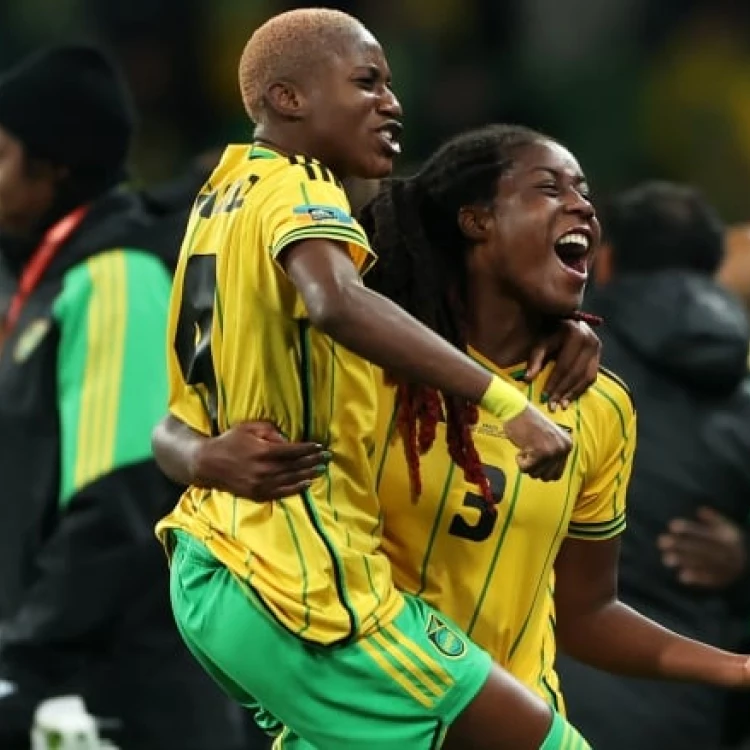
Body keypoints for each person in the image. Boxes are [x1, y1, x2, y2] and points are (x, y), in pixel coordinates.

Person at [156, 128, 750, 747]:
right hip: (376, 712)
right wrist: (204, 456)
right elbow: (179, 427)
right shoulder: (367, 368)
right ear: (476, 221)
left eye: (585, 191)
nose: (582, 206)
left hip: (504, 722)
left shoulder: (599, 405)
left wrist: (736, 668)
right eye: (549, 188)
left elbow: (585, 614)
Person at [155, 8, 598, 750]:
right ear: (287, 99)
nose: (392, 102)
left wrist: (200, 456)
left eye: (391, 85)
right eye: (367, 82)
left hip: (217, 559)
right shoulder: (299, 187)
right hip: (300, 579)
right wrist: (503, 401)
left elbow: (175, 413)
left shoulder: (220, 199)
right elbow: (338, 301)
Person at [0, 45, 247, 750]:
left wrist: (23, 661)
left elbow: (122, 499)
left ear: (52, 167)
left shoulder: (115, 275)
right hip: (63, 686)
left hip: (128, 698)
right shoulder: (43, 283)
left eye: (0, 153)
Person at [555, 181, 750, 750]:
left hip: (539, 692)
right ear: (712, 268)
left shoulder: (544, 357)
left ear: (606, 260)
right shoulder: (738, 387)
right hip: (691, 702)